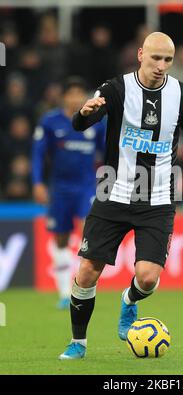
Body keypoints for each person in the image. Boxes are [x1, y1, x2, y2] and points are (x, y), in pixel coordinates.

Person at [59, 32, 183, 360]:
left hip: (157, 198)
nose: (161, 66)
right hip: (112, 191)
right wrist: (84, 113)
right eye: (155, 58)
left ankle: (128, 302)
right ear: (141, 54)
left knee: (147, 277)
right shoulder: (115, 89)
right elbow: (80, 125)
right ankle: (78, 343)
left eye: (167, 60)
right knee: (88, 270)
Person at [32, 77, 106, 309]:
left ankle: (82, 286)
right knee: (61, 239)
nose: (75, 98)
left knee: (89, 232)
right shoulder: (50, 122)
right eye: (71, 94)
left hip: (86, 187)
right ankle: (64, 292)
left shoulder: (96, 122)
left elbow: (107, 153)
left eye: (79, 93)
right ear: (64, 97)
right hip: (60, 188)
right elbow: (37, 154)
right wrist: (37, 183)